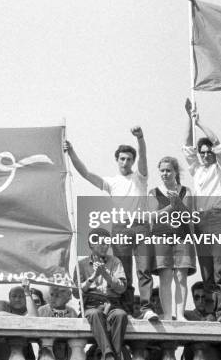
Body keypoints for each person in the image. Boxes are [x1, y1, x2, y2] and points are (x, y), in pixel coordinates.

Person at [65, 127, 159, 321]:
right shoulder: (111, 182)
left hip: (140, 225)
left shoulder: (140, 178)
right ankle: (128, 308)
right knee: (123, 270)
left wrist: (140, 138)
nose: (125, 162)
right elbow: (86, 173)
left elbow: (143, 155)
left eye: (129, 159)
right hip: (120, 228)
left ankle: (146, 308)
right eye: (122, 159)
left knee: (144, 269)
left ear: (133, 161)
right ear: (117, 160)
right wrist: (72, 151)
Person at [183, 99, 221, 322]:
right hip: (200, 220)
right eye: (201, 152)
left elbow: (218, 143)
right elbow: (186, 147)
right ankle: (211, 311)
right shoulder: (197, 170)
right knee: (207, 270)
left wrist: (199, 122)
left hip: (218, 218)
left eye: (207, 152)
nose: (204, 155)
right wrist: (188, 119)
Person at [148, 156, 196, 321]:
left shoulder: (186, 191)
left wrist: (179, 203)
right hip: (161, 238)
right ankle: (168, 315)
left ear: (176, 172)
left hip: (182, 237)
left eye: (168, 170)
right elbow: (153, 217)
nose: (165, 173)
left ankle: (180, 314)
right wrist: (171, 205)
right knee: (165, 277)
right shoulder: (153, 192)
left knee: (181, 277)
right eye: (162, 170)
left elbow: (189, 215)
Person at [74, 228, 128, 360]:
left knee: (121, 315)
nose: (105, 246)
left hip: (112, 304)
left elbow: (122, 288)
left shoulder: (115, 262)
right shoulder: (81, 264)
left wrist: (106, 276)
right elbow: (76, 293)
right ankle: (110, 355)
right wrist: (93, 276)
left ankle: (111, 356)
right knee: (94, 314)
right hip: (91, 306)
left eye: (107, 243)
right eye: (100, 242)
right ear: (91, 244)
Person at [38, 286, 77, 360]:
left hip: (67, 352)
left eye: (57, 295)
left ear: (67, 298)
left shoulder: (72, 311)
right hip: (48, 351)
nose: (53, 298)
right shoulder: (42, 310)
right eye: (51, 294)